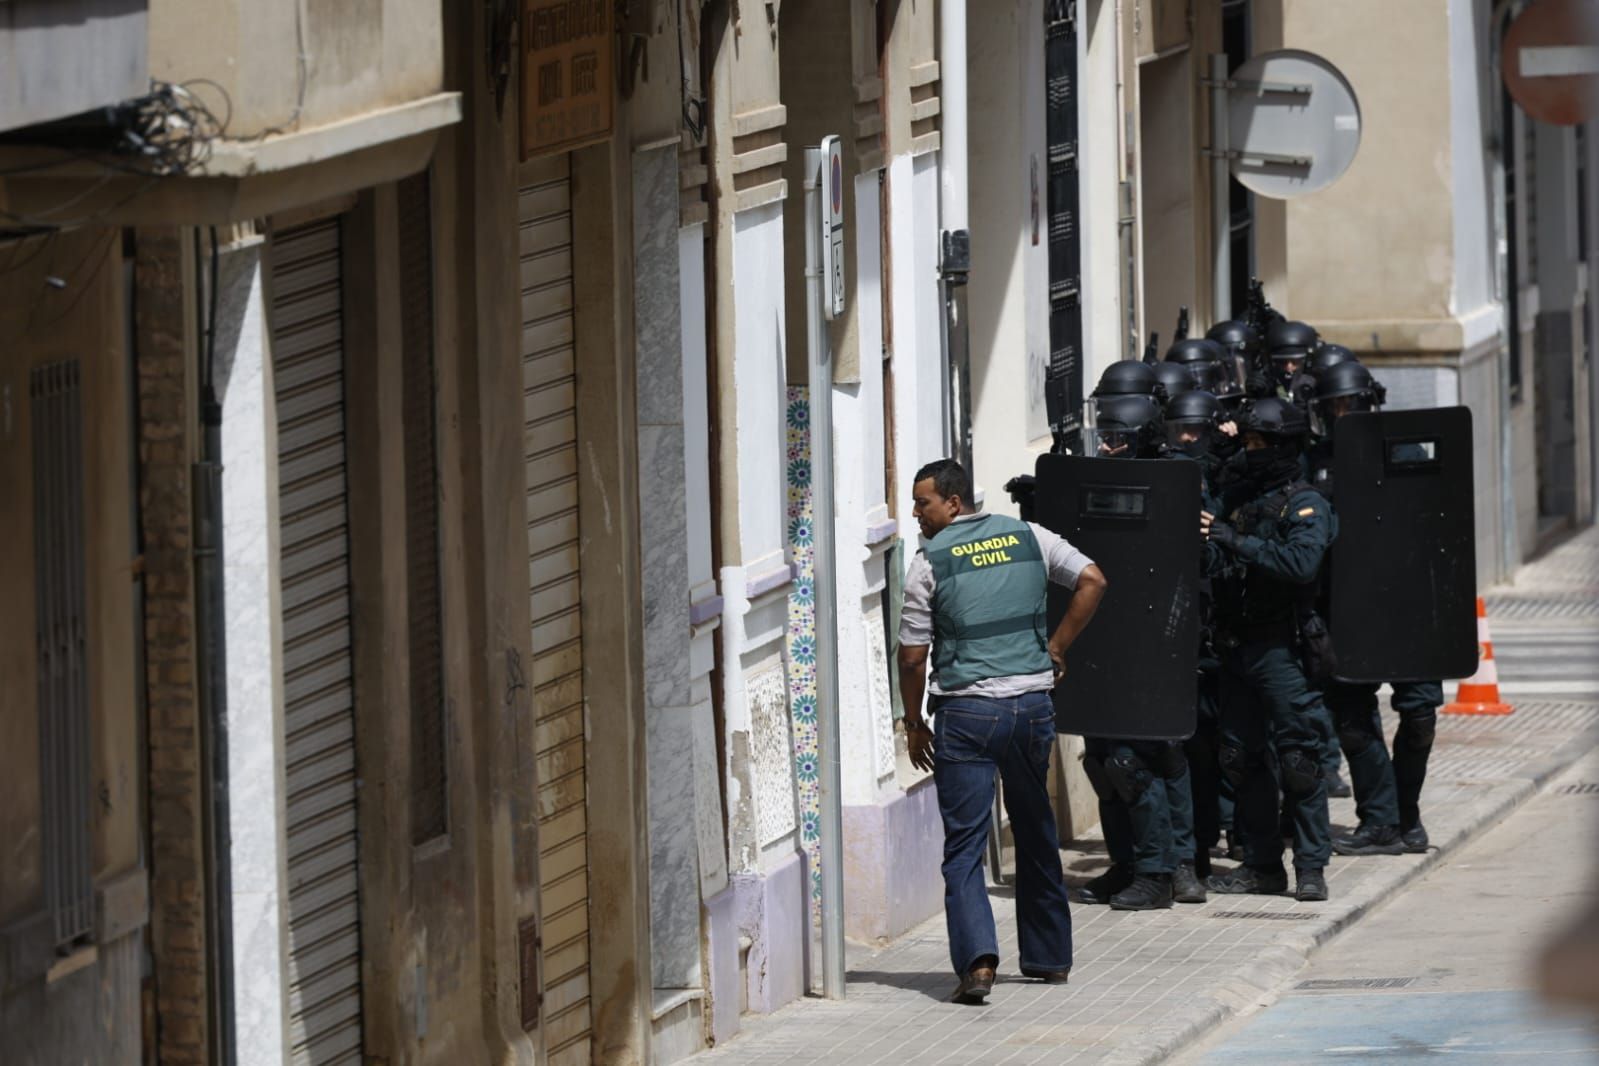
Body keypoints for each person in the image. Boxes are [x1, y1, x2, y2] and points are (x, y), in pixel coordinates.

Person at [898, 458, 1108, 1003]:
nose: (916, 513)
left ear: (952, 501)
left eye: (922, 503)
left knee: (965, 844)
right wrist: (1056, 646)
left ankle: (979, 966)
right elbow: (1092, 579)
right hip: (1031, 708)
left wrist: (914, 720)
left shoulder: (928, 562)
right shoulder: (1029, 535)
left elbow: (913, 654)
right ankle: (1049, 958)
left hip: (966, 715)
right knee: (1036, 828)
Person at [1201, 398, 1336, 902]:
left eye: (1259, 444)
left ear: (1282, 447)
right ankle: (1261, 864)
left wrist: (1234, 540)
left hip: (1284, 648)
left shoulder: (1305, 504)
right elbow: (1215, 545)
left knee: (1299, 759)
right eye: (1247, 443)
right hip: (1237, 646)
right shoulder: (1236, 495)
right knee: (1241, 758)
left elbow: (1301, 564)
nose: (1250, 453)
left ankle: (1311, 867)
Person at [1309, 360, 1440, 856]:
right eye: (1332, 406)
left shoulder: (1402, 453)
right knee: (1353, 718)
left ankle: (1407, 815)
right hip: (1347, 609)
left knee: (1421, 716)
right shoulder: (1316, 462)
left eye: (1349, 404)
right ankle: (1381, 820)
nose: (1342, 413)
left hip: (1407, 610)